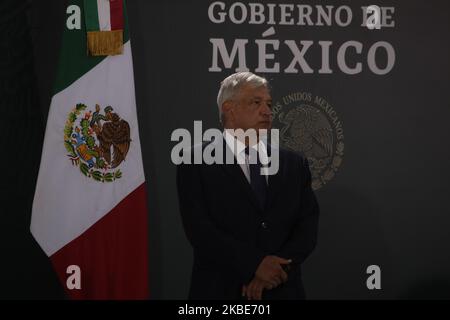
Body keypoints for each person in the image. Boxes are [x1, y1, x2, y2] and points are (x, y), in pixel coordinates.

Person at [176, 72, 319, 300]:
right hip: (221, 290)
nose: (267, 111)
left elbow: (307, 228)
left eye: (269, 104)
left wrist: (274, 272)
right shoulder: (195, 161)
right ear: (229, 108)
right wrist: (255, 265)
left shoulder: (294, 164)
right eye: (256, 102)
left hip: (282, 290)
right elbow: (200, 231)